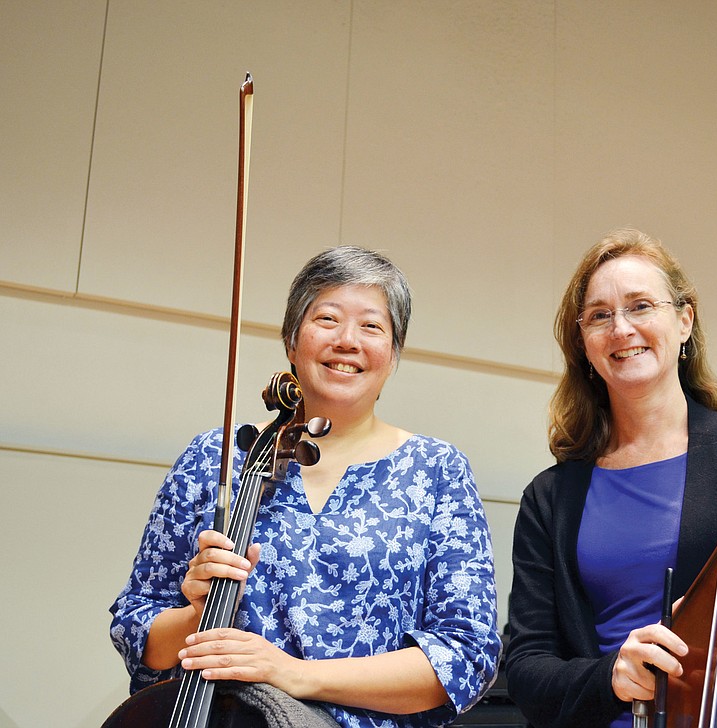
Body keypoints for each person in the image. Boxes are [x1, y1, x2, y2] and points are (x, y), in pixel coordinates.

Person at [109, 246, 501, 728]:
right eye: (327, 318)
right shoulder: (216, 457)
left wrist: (294, 675)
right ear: (292, 341)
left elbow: (464, 655)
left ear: (393, 355)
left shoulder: (438, 470)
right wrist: (197, 614)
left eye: (372, 326)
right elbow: (136, 630)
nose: (347, 341)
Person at [504, 228, 717, 728]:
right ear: (584, 343)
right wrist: (612, 676)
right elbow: (526, 667)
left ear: (685, 320)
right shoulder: (550, 497)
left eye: (642, 306)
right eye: (600, 315)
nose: (621, 328)